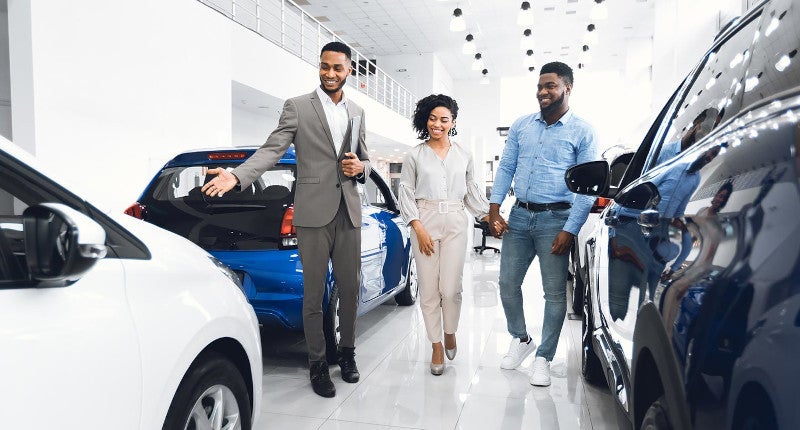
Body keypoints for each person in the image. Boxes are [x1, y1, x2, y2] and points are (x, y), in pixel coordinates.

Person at [201, 41, 370, 398]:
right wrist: (237, 176)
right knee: (314, 294)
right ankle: (318, 364)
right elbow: (272, 149)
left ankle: (348, 354)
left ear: (349, 71)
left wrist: (363, 168)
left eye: (337, 68)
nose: (329, 74)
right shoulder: (297, 106)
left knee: (351, 290)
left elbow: (363, 159)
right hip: (311, 213)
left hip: (349, 211)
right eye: (324, 66)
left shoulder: (357, 112)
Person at [488, 62, 598, 387]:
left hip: (556, 219)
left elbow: (588, 186)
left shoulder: (583, 131)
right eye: (540, 86)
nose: (543, 92)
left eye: (550, 86)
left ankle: (544, 358)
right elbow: (507, 166)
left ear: (568, 87)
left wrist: (571, 229)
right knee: (507, 283)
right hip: (519, 216)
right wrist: (494, 209)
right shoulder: (522, 125)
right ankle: (521, 340)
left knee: (553, 293)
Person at [398, 94, 492, 375]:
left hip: (454, 219)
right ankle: (436, 344)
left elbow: (471, 193)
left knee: (450, 289)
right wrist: (417, 226)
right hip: (424, 220)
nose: (437, 124)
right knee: (428, 290)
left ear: (453, 122)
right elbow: (405, 192)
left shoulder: (464, 154)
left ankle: (450, 331)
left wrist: (489, 215)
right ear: (425, 120)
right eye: (432, 118)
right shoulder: (414, 154)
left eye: (444, 119)